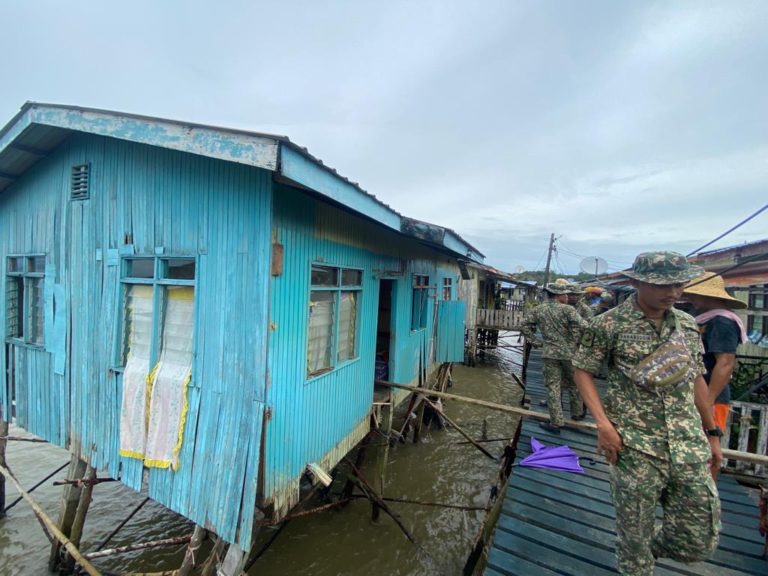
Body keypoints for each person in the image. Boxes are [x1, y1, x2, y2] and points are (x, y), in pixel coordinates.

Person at [572, 251, 722, 576]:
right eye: (663, 285)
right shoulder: (608, 325)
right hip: (634, 448)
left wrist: (712, 434)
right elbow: (583, 370)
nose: (673, 292)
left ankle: (643, 546)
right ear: (636, 282)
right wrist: (602, 424)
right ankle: (636, 551)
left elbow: (696, 377)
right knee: (635, 546)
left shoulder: (686, 324)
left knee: (699, 539)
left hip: (687, 445)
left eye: (679, 284)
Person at [683, 272, 748, 444]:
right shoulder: (703, 318)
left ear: (707, 295)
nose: (689, 298)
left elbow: (725, 363)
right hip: (696, 392)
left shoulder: (722, 322)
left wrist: (708, 400)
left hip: (711, 395)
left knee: (707, 446)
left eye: (694, 294)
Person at [522, 282, 590, 433]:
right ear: (559, 295)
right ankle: (577, 414)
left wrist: (536, 342)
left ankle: (556, 422)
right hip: (570, 353)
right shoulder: (569, 310)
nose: (567, 296)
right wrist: (577, 339)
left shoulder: (539, 309)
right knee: (575, 384)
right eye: (565, 294)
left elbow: (524, 325)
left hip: (550, 353)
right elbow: (585, 326)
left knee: (553, 387)